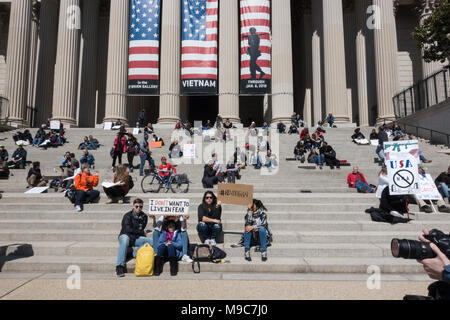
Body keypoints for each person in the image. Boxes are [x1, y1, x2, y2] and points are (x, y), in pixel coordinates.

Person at [115, 198, 153, 277]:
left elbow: (141, 228)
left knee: (151, 241)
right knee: (125, 240)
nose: (138, 208)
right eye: (136, 206)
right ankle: (119, 266)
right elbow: (127, 229)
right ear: (133, 206)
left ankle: (133, 254)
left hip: (135, 238)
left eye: (140, 207)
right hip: (125, 235)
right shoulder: (127, 216)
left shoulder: (144, 216)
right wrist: (141, 232)